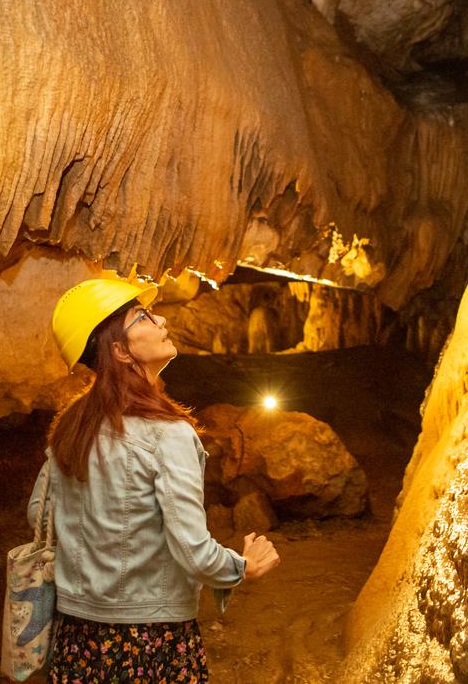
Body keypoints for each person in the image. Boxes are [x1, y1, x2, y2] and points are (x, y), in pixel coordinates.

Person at [29, 273, 280, 682]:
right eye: (143, 317)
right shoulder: (167, 433)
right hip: (150, 640)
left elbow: (38, 512)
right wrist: (241, 566)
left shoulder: (72, 425)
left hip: (77, 636)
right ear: (120, 351)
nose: (161, 321)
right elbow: (193, 551)